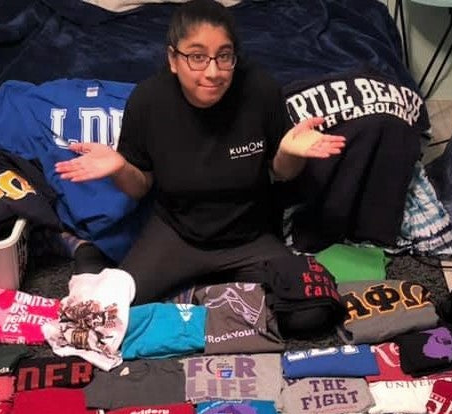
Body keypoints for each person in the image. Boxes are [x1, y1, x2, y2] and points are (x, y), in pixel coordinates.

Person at [55, 0, 345, 304]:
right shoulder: (148, 101)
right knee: (108, 309)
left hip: (250, 239)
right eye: (197, 57)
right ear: (173, 59)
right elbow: (140, 187)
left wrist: (289, 152)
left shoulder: (260, 90)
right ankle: (93, 256)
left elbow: (283, 172)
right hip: (176, 237)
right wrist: (120, 168)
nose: (213, 71)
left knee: (311, 309)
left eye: (224, 56)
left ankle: (201, 293)